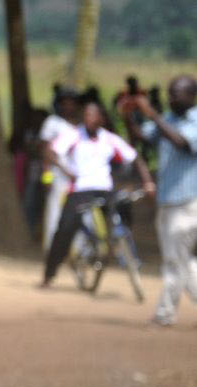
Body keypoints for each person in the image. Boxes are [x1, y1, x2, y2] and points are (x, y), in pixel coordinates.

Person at [41, 98, 155, 288]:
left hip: (103, 189)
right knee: (65, 229)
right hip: (79, 190)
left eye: (93, 115)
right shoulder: (73, 135)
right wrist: (65, 170)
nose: (89, 119)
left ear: (101, 118)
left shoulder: (109, 139)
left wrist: (148, 182)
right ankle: (49, 274)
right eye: (86, 115)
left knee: (124, 205)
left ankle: (121, 245)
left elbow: (135, 158)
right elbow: (50, 152)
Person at [126, 76, 197, 326]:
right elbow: (142, 138)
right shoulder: (167, 119)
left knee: (173, 263)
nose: (171, 98)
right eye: (170, 93)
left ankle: (164, 314)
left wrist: (152, 114)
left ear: (192, 96)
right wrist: (128, 113)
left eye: (176, 94)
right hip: (167, 202)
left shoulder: (194, 121)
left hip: (188, 203)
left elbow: (182, 142)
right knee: (182, 261)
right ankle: (166, 313)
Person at [37, 88, 81, 250]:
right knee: (55, 212)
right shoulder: (52, 123)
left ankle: (79, 248)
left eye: (72, 103)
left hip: (79, 178)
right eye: (65, 103)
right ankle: (53, 248)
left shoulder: (82, 124)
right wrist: (46, 176)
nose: (68, 107)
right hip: (58, 176)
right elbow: (45, 151)